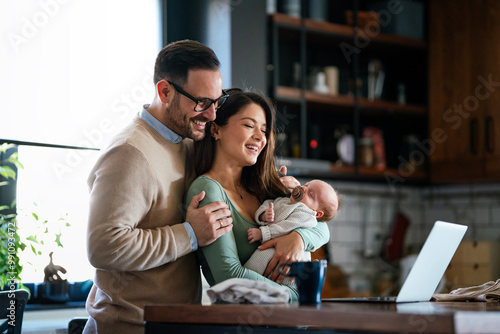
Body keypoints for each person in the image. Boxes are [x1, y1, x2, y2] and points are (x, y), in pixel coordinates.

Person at [83, 40, 236, 333]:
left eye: (217, 102)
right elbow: (103, 246)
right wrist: (190, 234)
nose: (212, 114)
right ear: (165, 91)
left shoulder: (189, 142)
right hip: (129, 328)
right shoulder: (130, 153)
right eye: (202, 102)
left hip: (173, 325)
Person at [186, 88, 330, 302]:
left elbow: (321, 225)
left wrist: (298, 238)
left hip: (285, 321)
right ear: (215, 130)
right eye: (248, 125)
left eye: (263, 130)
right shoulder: (208, 191)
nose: (259, 137)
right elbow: (229, 276)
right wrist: (293, 297)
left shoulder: (264, 184)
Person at [244, 180, 340, 279]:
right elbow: (269, 203)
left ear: (317, 213)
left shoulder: (305, 215)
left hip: (282, 255)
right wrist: (263, 215)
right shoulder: (285, 201)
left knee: (253, 267)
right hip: (271, 247)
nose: (303, 188)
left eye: (310, 195)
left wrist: (263, 233)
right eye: (305, 185)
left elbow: (285, 227)